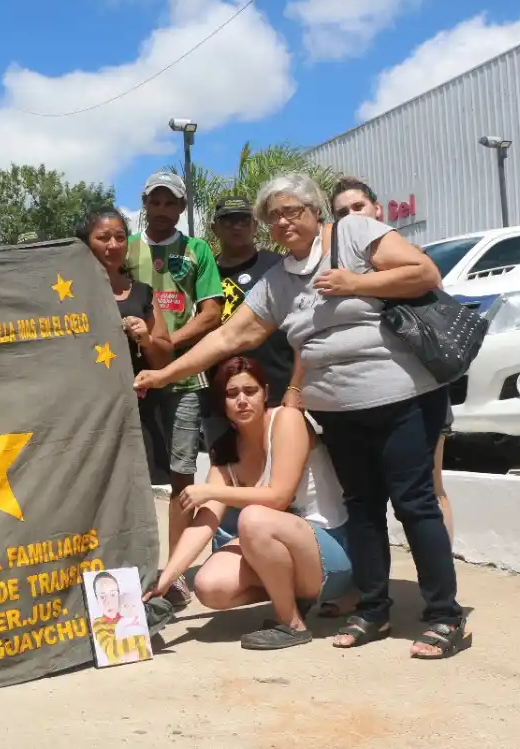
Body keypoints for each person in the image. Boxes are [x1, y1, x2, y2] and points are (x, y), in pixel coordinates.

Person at [136, 173, 470, 660]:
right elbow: (228, 338)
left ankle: (444, 614)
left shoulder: (353, 236)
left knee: (414, 503)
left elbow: (424, 273)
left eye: (293, 210)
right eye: (274, 215)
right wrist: (165, 375)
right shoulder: (278, 281)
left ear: (316, 211)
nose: (283, 221)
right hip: (337, 409)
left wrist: (356, 282)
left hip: (399, 396)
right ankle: (374, 610)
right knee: (363, 507)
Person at [148, 357, 352, 650]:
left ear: (265, 392)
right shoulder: (226, 453)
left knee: (254, 518)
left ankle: (292, 623)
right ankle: (293, 596)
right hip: (292, 554)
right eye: (232, 394)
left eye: (250, 391)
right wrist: (166, 580)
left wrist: (212, 492)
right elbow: (205, 523)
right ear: (223, 402)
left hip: (333, 550)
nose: (242, 400)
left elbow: (279, 496)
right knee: (210, 586)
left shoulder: (287, 419)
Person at [331, 177, 453, 546]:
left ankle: (439, 571)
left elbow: (433, 289)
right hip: (367, 392)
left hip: (422, 384)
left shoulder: (403, 252)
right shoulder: (341, 261)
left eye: (358, 208)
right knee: (366, 497)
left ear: (377, 209)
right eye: (341, 213)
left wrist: (356, 284)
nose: (351, 217)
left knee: (428, 489)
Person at [126, 170, 224, 607]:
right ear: (144, 203)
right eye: (155, 201)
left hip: (184, 379)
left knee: (182, 475)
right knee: (131, 475)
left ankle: (175, 573)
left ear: (182, 208)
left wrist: (167, 349)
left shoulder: (197, 250)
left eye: (171, 203)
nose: (163, 210)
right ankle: (131, 568)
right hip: (132, 381)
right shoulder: (124, 249)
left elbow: (212, 313)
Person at [75, 207, 173, 484]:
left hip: (138, 414)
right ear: (86, 243)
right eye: (103, 237)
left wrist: (147, 339)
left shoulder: (142, 292)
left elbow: (164, 361)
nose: (113, 245)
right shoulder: (67, 292)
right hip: (89, 414)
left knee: (140, 491)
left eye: (120, 237)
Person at [207, 195, 302, 460]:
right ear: (215, 228)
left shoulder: (279, 265)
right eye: (228, 220)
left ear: (254, 226)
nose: (236, 226)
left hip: (277, 391)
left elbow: (302, 330)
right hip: (224, 400)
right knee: (232, 477)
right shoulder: (206, 272)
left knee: (285, 475)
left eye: (243, 220)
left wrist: (295, 388)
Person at [90, 572, 152, 665]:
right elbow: (110, 649)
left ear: (119, 595)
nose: (108, 601)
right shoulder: (98, 623)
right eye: (102, 596)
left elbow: (145, 651)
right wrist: (141, 639)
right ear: (96, 599)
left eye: (113, 594)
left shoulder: (130, 619)